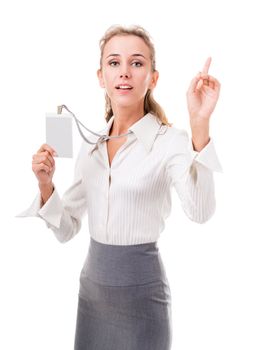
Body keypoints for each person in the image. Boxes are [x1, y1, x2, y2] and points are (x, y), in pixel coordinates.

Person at [16, 24, 223, 350]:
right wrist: (45, 185)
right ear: (101, 76)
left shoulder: (170, 142)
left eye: (137, 63)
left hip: (143, 300)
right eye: (114, 63)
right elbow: (67, 229)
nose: (124, 72)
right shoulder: (92, 145)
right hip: (92, 299)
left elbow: (200, 212)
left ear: (152, 79)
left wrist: (200, 125)